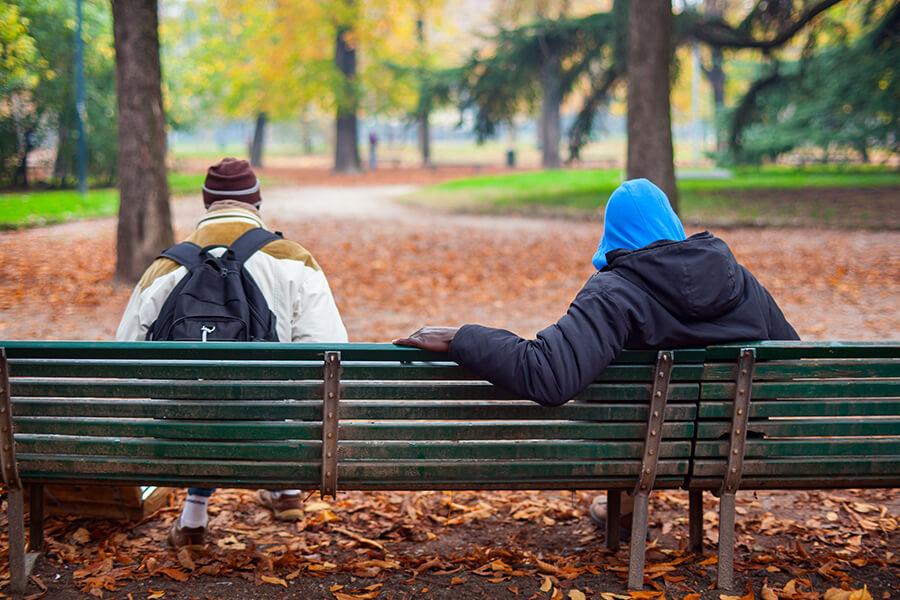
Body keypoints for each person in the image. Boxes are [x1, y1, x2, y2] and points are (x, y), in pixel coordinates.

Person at [394, 178, 798, 530]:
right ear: (671, 222)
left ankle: (621, 509)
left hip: (639, 446)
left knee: (632, 412)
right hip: (730, 444)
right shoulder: (739, 279)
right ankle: (628, 508)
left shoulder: (614, 292)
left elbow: (550, 376)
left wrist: (462, 337)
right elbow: (788, 359)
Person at [116, 157, 348, 548]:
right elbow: (330, 353)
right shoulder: (293, 260)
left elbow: (125, 360)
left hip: (182, 434)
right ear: (255, 203)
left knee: (202, 395)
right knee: (271, 393)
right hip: (273, 430)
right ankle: (287, 487)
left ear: (207, 203)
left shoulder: (165, 266)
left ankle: (193, 515)